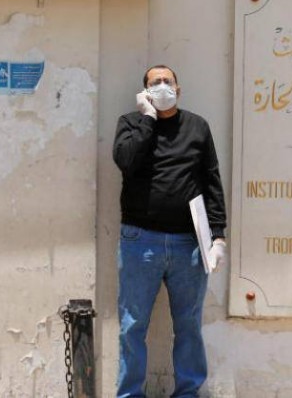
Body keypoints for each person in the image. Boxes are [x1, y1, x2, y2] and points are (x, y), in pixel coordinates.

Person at [113, 65, 227, 398]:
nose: (162, 86)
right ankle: (130, 394)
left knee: (189, 325)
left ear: (178, 89)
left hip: (188, 243)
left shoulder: (197, 126)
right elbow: (126, 161)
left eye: (168, 81)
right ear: (145, 91)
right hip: (139, 241)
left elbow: (211, 181)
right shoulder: (130, 124)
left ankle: (188, 393)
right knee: (132, 325)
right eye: (155, 82)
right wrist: (148, 119)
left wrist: (218, 235)